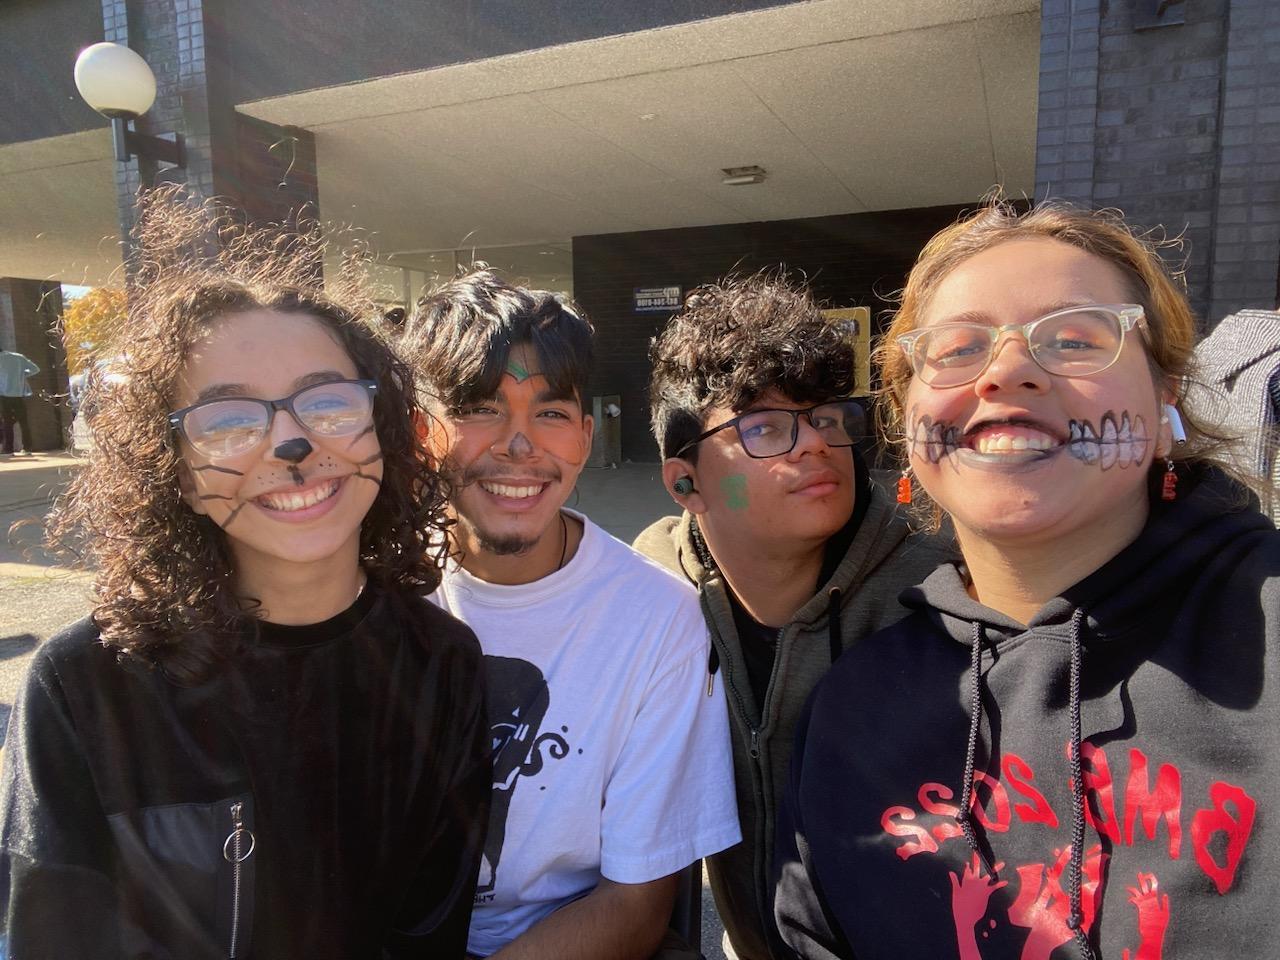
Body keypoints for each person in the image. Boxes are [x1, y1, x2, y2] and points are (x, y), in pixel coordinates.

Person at [775, 199, 1280, 959]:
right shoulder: (851, 707)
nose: (1008, 371)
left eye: (1075, 339)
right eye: (957, 348)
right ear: (905, 417)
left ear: (1166, 392)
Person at [0, 188, 491, 958]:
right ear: (179, 474)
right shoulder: (85, 686)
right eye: (229, 420)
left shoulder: (443, 664)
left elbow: (427, 934)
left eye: (328, 402)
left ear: (384, 427)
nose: (292, 444)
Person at [400, 267, 740, 960]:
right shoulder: (374, 592)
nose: (519, 445)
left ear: (586, 437)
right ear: (420, 432)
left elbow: (637, 905)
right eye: (480, 408)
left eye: (550, 414)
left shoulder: (659, 621)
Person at [634, 273, 952, 960]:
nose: (815, 443)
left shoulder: (938, 594)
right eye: (766, 428)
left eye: (826, 417)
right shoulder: (649, 594)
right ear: (685, 482)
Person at [0, 346, 39, 454]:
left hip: (3, 394)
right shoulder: (19, 357)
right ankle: (27, 447)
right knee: (24, 422)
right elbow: (35, 369)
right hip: (18, 394)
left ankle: (8, 448)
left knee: (7, 422)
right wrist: (22, 375)